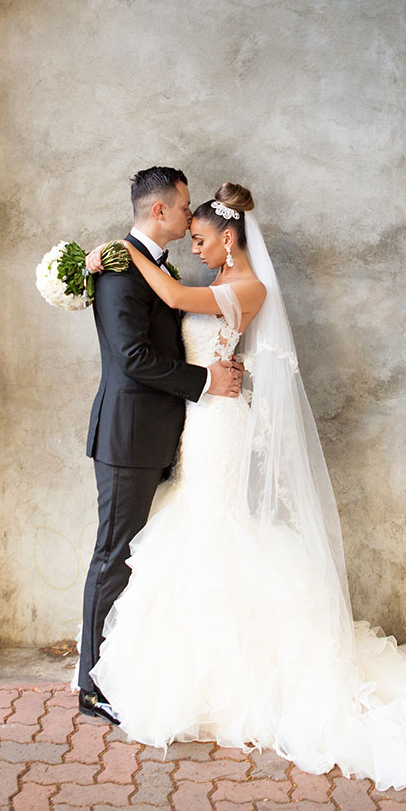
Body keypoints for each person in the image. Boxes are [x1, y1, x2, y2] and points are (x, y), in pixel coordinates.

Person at [81, 182, 406, 793]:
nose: (193, 236)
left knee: (211, 528)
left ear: (229, 235)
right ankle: (132, 675)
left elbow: (171, 296)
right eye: (186, 226)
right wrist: (111, 265)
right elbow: (156, 335)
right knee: (179, 534)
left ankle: (217, 676)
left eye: (201, 232)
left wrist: (117, 251)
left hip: (215, 418)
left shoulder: (244, 286)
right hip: (199, 415)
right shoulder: (201, 279)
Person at [76, 167, 243, 723]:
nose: (189, 216)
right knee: (113, 556)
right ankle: (91, 685)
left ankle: (124, 668)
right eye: (183, 207)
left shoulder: (146, 265)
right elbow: (132, 359)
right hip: (127, 437)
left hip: (159, 436)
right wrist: (204, 383)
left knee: (139, 558)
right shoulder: (121, 269)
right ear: (159, 212)